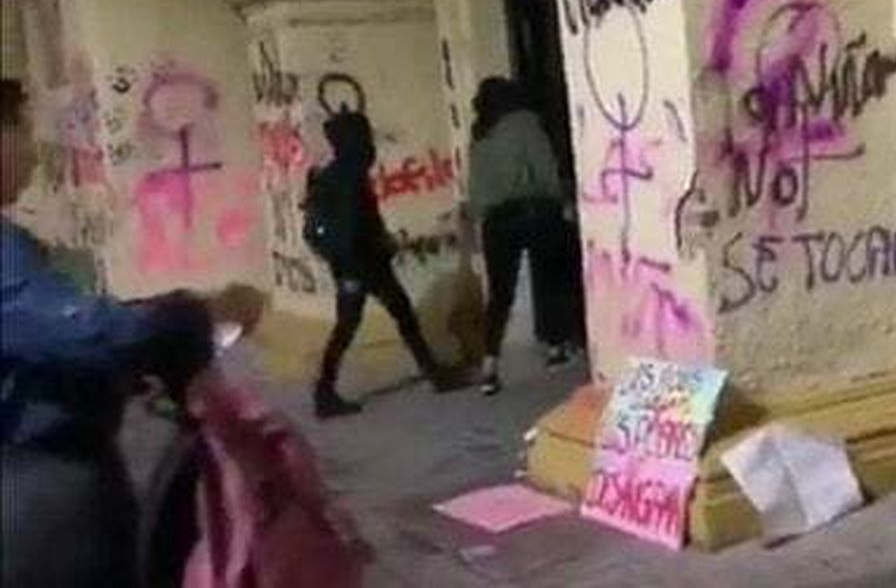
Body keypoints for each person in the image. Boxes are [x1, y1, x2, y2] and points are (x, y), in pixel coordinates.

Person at [0, 79, 263, 588]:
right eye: (19, 131)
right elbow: (81, 332)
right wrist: (189, 318)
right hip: (37, 485)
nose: (33, 152)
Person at [302, 108, 462, 418]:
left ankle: (432, 373)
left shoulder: (338, 172)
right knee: (370, 321)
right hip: (361, 263)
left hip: (358, 262)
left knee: (384, 317)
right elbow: (355, 225)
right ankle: (325, 392)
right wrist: (373, 249)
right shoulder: (348, 175)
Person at [465, 77, 584, 395]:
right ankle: (556, 346)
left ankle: (489, 367)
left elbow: (475, 188)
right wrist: (562, 198)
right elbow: (545, 170)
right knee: (551, 278)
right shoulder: (526, 125)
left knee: (500, 295)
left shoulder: (480, 133)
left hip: (496, 221)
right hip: (534, 211)